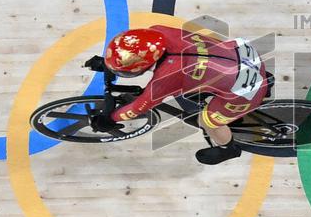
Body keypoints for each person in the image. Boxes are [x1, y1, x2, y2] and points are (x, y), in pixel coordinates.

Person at [86, 26, 270, 165]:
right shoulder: (158, 31)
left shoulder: (167, 77)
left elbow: (139, 106)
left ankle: (228, 149)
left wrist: (110, 118)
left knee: (207, 122)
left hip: (244, 89)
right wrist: (112, 64)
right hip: (240, 53)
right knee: (196, 80)